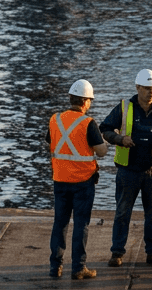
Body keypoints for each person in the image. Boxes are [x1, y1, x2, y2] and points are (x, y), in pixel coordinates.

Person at [100, 68, 152, 268]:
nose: (151, 92)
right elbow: (105, 129)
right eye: (146, 88)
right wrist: (120, 139)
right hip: (128, 170)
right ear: (137, 87)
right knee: (122, 212)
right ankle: (117, 253)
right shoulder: (124, 107)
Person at [46, 78, 110, 280]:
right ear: (85, 102)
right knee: (81, 225)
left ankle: (55, 267)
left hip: (60, 180)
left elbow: (51, 141)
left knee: (60, 223)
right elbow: (101, 152)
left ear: (71, 98)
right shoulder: (88, 123)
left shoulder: (54, 119)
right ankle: (78, 268)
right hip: (83, 182)